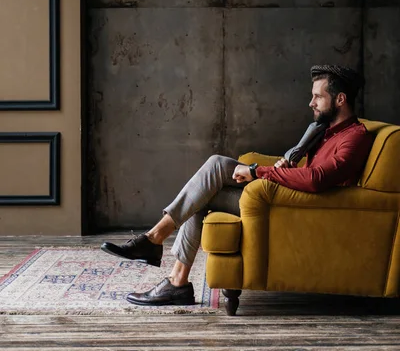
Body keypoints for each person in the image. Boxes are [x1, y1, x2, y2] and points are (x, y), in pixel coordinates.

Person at [101, 64, 373, 306]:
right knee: (207, 184)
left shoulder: (354, 137)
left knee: (215, 170)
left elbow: (317, 180)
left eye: (317, 97)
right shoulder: (324, 131)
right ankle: (175, 278)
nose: (311, 103)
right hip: (287, 199)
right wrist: (288, 163)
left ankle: (157, 245)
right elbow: (310, 171)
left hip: (297, 210)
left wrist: (258, 172)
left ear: (340, 99)